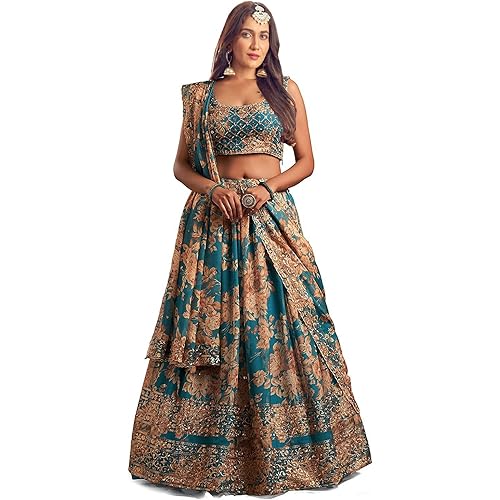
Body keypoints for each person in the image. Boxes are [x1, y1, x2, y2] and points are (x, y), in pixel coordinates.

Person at [128, 1, 372, 495]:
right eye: (246, 34)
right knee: (209, 326)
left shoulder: (285, 90)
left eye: (264, 35)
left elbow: (306, 161)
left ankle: (299, 451)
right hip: (213, 225)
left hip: (270, 220)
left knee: (286, 319)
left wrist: (266, 189)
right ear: (229, 39)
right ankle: (190, 457)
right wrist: (212, 189)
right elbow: (180, 166)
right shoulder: (201, 97)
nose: (256, 43)